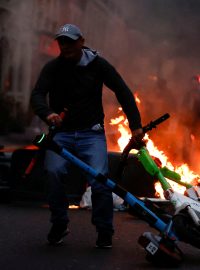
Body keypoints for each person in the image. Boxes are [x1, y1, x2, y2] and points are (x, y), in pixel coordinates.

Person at [30, 24, 144, 247]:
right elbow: (37, 95)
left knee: (100, 181)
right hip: (61, 135)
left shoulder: (98, 65)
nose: (66, 46)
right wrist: (48, 113)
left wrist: (136, 125)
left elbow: (122, 91)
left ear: (81, 41)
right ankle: (60, 224)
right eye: (62, 42)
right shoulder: (53, 67)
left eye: (70, 41)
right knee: (53, 173)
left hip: (91, 134)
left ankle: (104, 230)